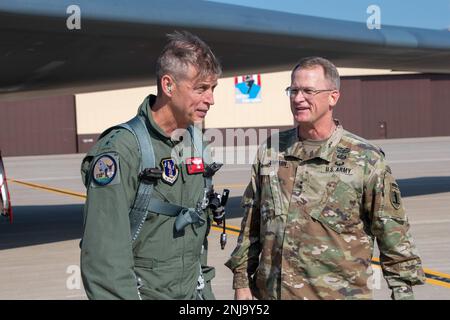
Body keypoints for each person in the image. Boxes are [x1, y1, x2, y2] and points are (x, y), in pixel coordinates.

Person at [225, 56, 426, 300]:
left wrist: (402, 291)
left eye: (308, 91)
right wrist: (241, 281)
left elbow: (393, 234)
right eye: (293, 90)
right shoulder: (271, 151)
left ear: (333, 97)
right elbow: (251, 223)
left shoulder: (365, 159)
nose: (298, 98)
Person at [80, 30, 222, 300]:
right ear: (168, 86)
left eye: (213, 89)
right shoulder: (121, 150)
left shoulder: (197, 145)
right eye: (201, 88)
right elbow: (104, 258)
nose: (211, 99)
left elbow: (197, 241)